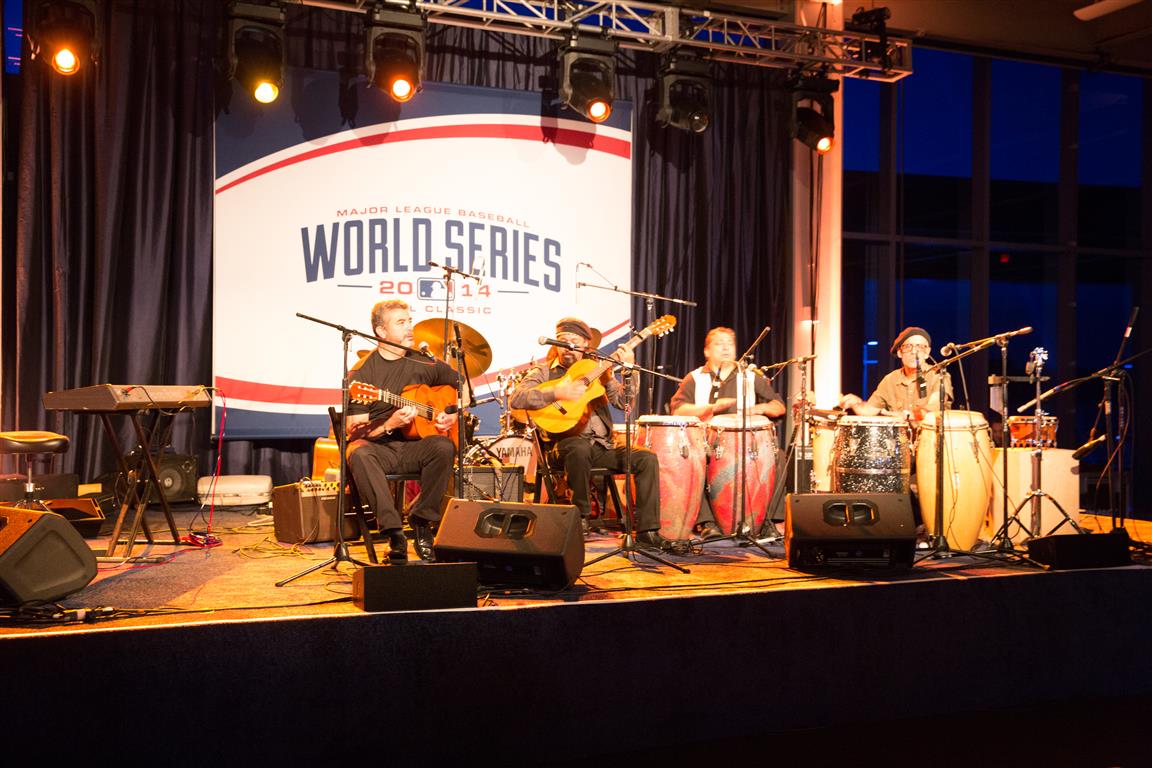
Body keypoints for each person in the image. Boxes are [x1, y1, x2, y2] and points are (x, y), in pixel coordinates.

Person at [509, 318, 667, 549]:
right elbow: (516, 398)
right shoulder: (543, 372)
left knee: (646, 458)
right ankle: (580, 517)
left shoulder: (598, 370)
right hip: (562, 447)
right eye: (562, 341)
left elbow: (624, 403)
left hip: (602, 447)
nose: (568, 346)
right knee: (578, 447)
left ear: (585, 344)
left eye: (574, 341)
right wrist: (556, 393)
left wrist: (629, 370)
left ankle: (647, 531)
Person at [346, 300, 459, 562]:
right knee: (358, 453)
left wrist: (452, 415)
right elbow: (355, 431)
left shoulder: (425, 362)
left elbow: (461, 384)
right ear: (381, 331)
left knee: (443, 446)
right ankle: (394, 533)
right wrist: (389, 424)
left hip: (413, 445)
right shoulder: (363, 373)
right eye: (401, 322)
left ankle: (422, 521)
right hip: (378, 447)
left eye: (409, 321)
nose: (410, 328)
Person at [670, 326, 787, 539]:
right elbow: (677, 409)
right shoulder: (695, 378)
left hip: (748, 444)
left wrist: (759, 408)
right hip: (707, 441)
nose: (725, 347)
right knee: (695, 459)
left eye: (729, 344)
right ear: (706, 351)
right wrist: (710, 408)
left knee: (778, 456)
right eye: (719, 343)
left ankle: (768, 520)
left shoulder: (749, 376)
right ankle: (707, 522)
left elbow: (778, 406)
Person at [839, 326, 953, 418]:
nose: (914, 351)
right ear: (899, 352)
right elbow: (870, 410)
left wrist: (905, 416)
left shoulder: (938, 375)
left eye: (920, 347)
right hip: (898, 439)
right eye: (908, 346)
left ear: (927, 352)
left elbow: (934, 408)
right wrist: (856, 404)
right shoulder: (890, 380)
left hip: (930, 438)